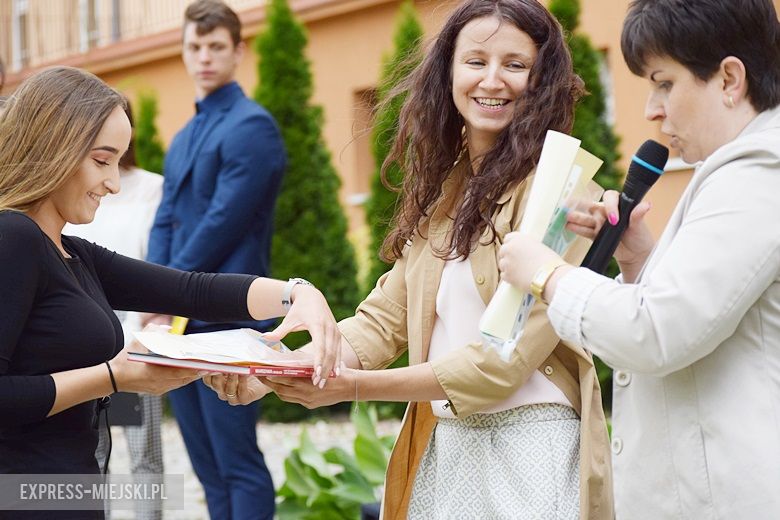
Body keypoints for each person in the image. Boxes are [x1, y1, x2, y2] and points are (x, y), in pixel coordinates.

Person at [206, 0, 613, 518]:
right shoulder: (449, 194)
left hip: (531, 450)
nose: (493, 79)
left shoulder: (561, 194)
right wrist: (275, 369)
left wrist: (353, 387)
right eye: (475, 61)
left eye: (515, 64)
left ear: (542, 80)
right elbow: (383, 321)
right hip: (448, 447)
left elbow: (500, 362)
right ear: (447, 73)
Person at [0, 66, 340, 520]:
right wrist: (116, 377)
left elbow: (190, 290)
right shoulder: (13, 237)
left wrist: (297, 294)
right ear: (53, 148)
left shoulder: (73, 253)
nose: (114, 183)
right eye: (102, 161)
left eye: (118, 163)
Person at [496, 0, 780, 518]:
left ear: (730, 79)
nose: (652, 108)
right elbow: (707, 316)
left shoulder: (760, 170)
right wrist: (640, 259)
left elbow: (656, 332)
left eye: (663, 82)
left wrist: (546, 273)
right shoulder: (734, 170)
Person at [144, 1, 291, 518]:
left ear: (237, 50)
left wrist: (163, 292)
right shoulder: (183, 137)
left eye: (215, 46)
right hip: (181, 325)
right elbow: (164, 220)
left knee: (237, 462)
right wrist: (148, 294)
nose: (203, 57)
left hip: (228, 319)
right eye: (194, 47)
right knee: (206, 466)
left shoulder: (254, 128)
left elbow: (220, 226)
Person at [63, 96, 165, 520]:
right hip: (87, 344)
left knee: (145, 456)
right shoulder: (66, 196)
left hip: (139, 339)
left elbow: (166, 271)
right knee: (92, 454)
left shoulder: (152, 188)